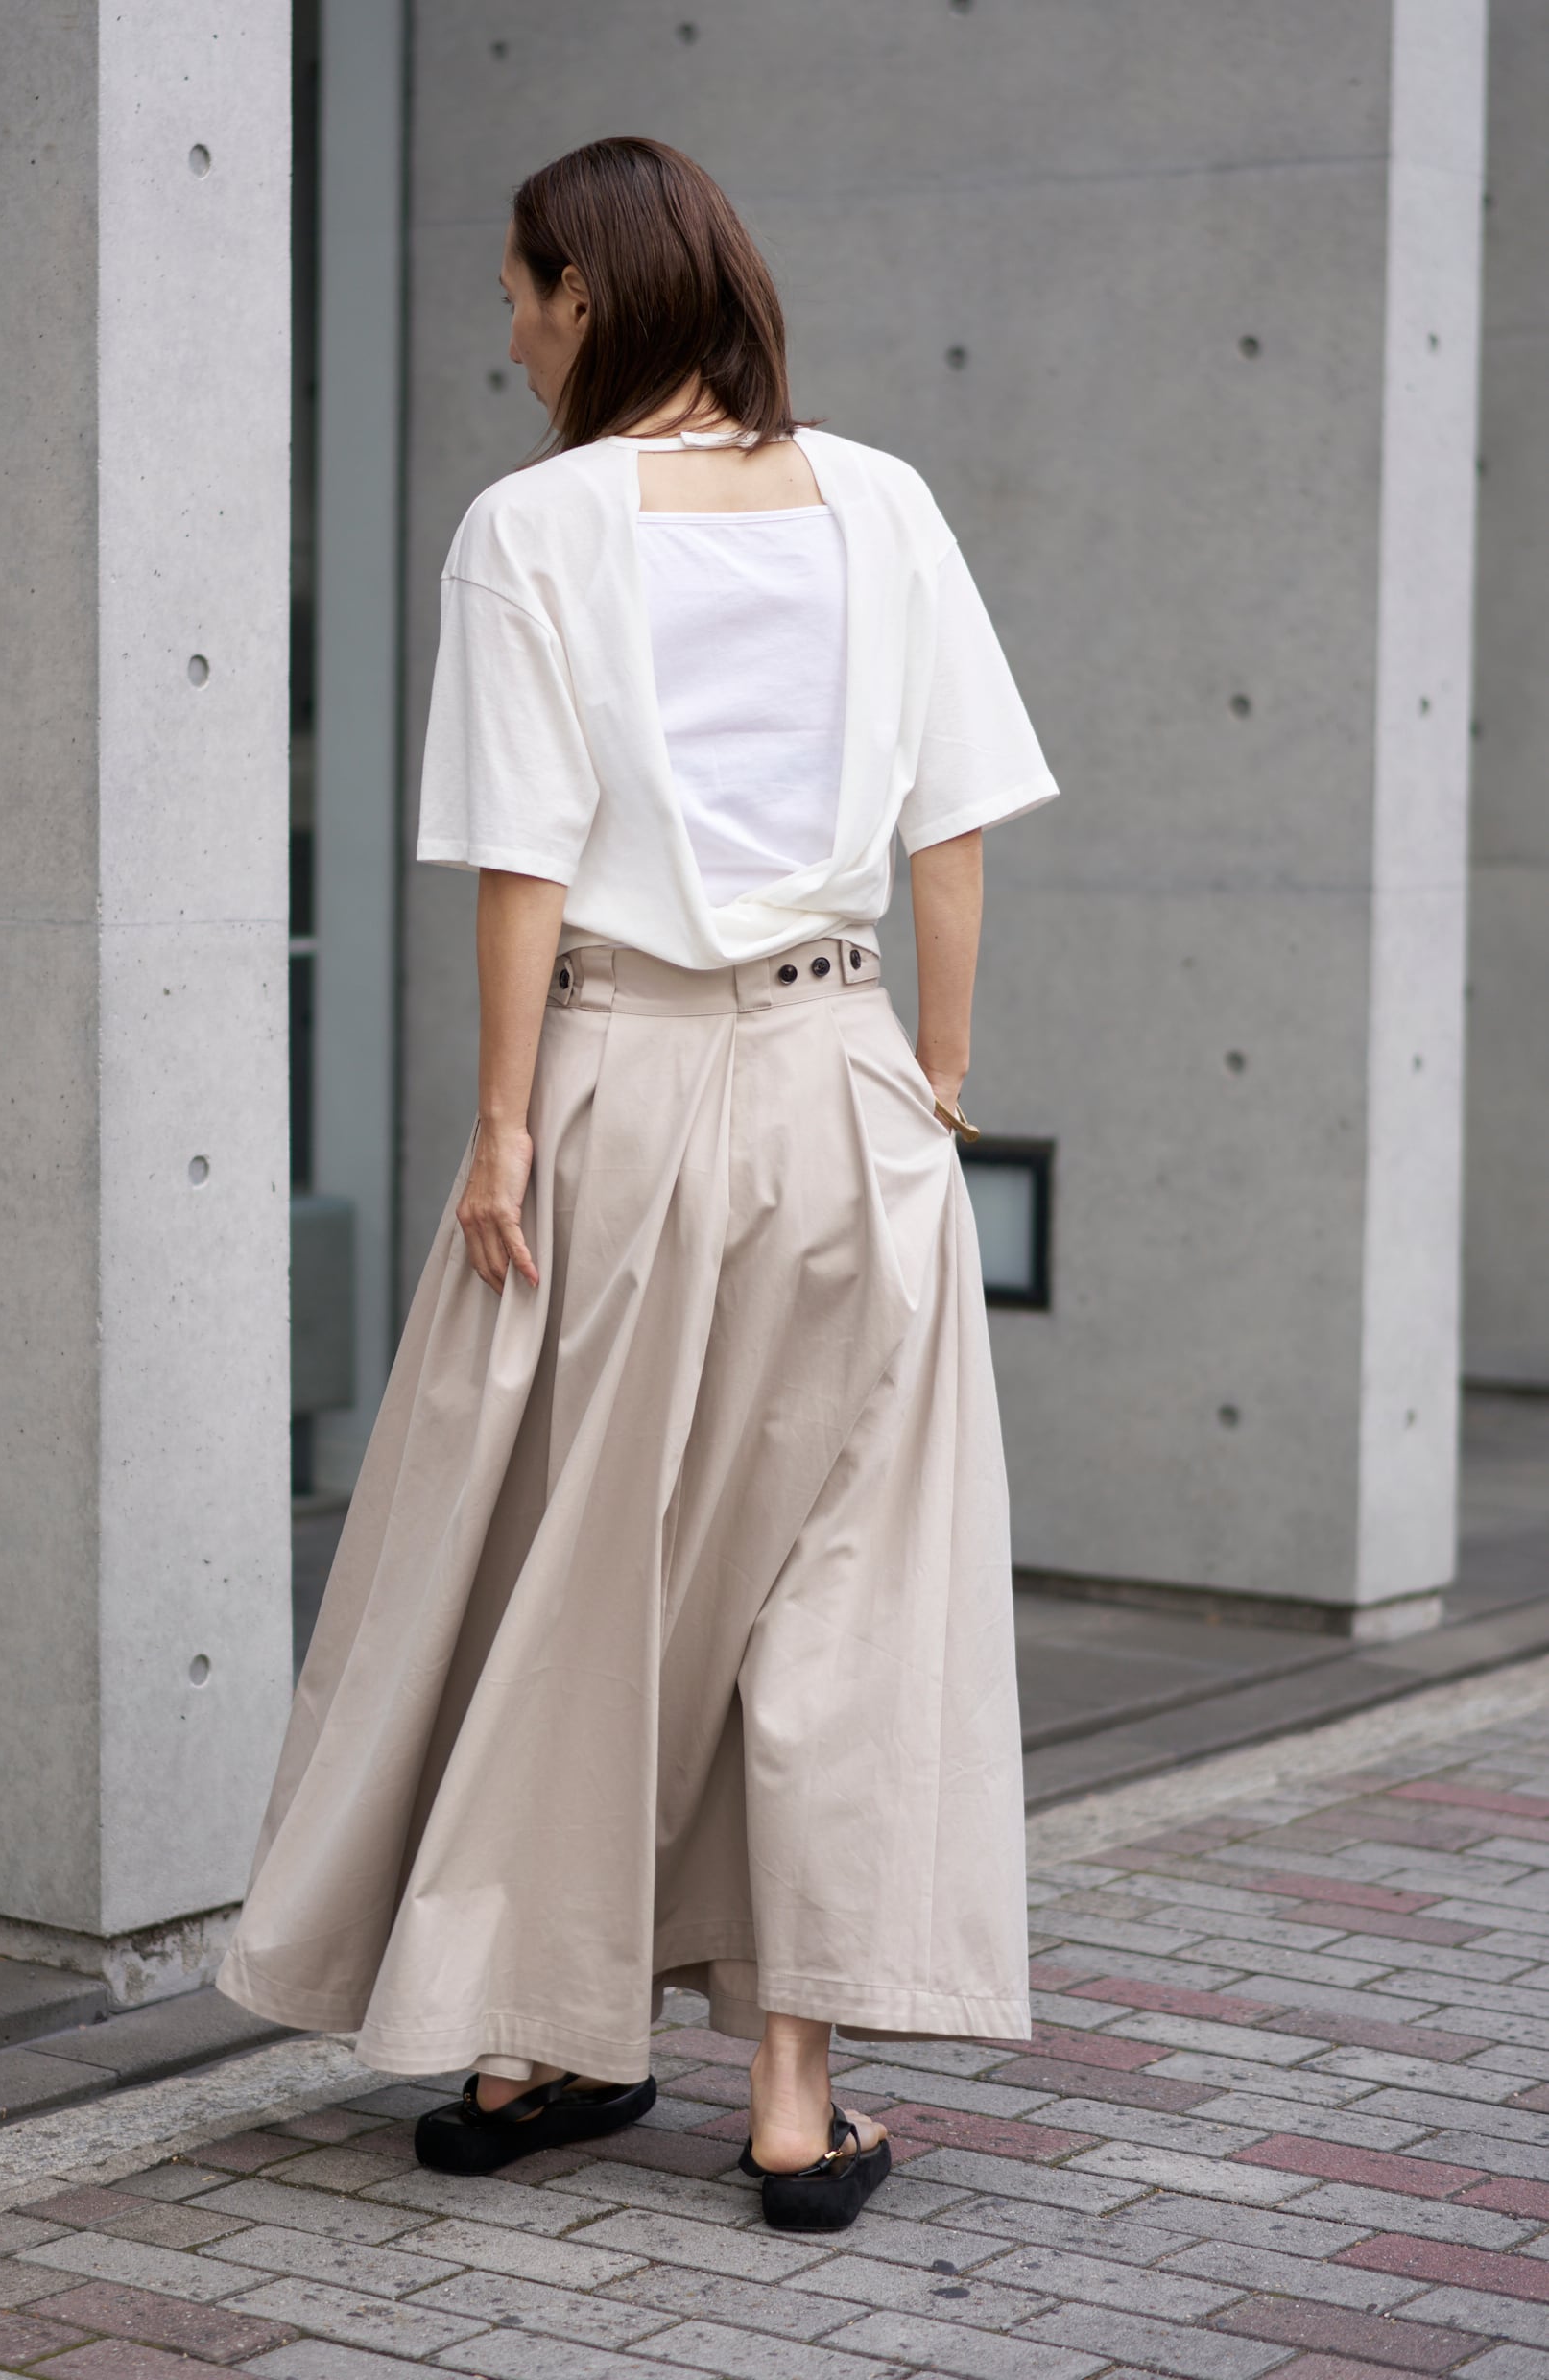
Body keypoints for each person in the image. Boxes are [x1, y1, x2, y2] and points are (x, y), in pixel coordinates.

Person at [218, 134, 1059, 2234]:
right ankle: (793, 2098)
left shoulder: (532, 527)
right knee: (842, 1583)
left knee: (572, 1565)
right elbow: (953, 828)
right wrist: (937, 1082)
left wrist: (504, 1127)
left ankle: (541, 2035)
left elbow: (524, 857)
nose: (508, 333)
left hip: (614, 1075)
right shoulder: (884, 500)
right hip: (847, 1077)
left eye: (518, 292)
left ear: (586, 295)